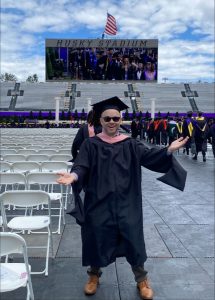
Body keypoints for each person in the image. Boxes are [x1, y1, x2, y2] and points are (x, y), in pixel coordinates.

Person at [57, 97, 188, 300]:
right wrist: (73, 176)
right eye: (107, 118)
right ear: (100, 120)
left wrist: (168, 150)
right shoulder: (91, 145)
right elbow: (81, 166)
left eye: (115, 118)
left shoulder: (131, 144)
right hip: (99, 201)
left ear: (120, 120)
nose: (111, 122)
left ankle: (142, 280)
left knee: (133, 239)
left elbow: (150, 156)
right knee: (96, 237)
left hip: (128, 202)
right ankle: (93, 276)